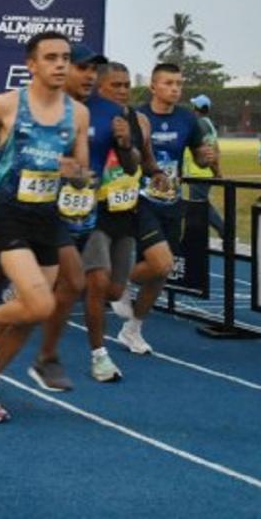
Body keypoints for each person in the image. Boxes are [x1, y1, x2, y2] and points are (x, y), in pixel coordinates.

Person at [0, 32, 90, 423]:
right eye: (51, 57)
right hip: (8, 210)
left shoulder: (77, 114)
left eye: (65, 57)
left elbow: (82, 174)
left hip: (47, 215)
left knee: (30, 314)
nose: (61, 64)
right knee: (41, 303)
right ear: (32, 65)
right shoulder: (7, 105)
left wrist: (75, 172)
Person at [112, 62, 217, 355]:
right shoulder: (138, 117)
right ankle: (118, 281)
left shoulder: (187, 119)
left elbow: (198, 158)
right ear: (154, 87)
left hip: (172, 200)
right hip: (141, 199)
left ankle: (132, 330)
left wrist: (205, 157)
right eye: (169, 83)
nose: (175, 88)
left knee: (161, 273)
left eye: (179, 84)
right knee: (161, 263)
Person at [27, 44, 106, 392]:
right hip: (35, 210)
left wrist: (81, 174)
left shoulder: (98, 114)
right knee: (42, 295)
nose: (90, 75)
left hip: (84, 215)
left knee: (78, 285)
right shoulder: (31, 107)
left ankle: (49, 356)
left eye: (94, 70)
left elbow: (89, 167)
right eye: (83, 67)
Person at [81, 62, 145, 382]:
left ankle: (67, 285)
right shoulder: (85, 113)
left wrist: (124, 143)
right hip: (95, 212)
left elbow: (133, 166)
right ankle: (99, 355)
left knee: (115, 289)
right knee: (97, 283)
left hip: (125, 212)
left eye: (126, 85)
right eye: (116, 85)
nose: (123, 90)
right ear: (100, 87)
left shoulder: (130, 119)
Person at [185, 94, 225, 235]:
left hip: (199, 172)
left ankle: (225, 232)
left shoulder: (199, 124)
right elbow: (216, 150)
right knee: (198, 208)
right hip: (204, 172)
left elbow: (208, 151)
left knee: (201, 207)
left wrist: (216, 170)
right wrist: (217, 171)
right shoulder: (209, 124)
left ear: (196, 108)